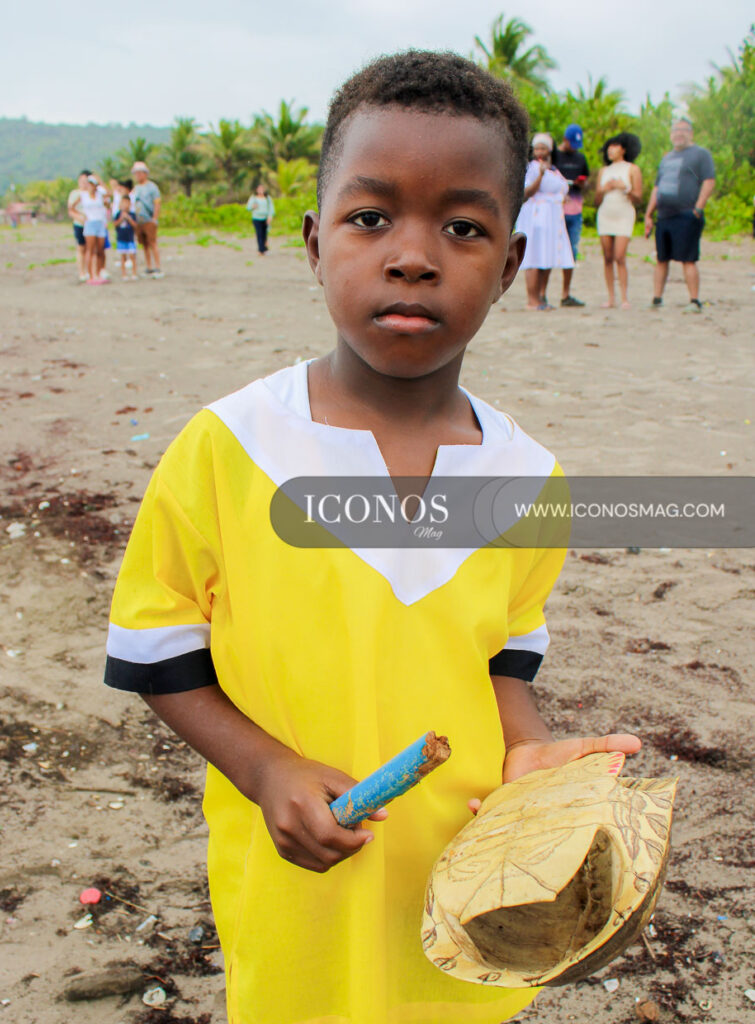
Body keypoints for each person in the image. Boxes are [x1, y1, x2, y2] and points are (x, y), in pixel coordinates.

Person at [104, 51, 640, 1024]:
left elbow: (503, 659)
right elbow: (159, 651)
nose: (413, 254)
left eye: (464, 226)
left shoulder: (528, 478)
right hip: (298, 888)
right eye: (371, 217)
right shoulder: (229, 449)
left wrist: (527, 754)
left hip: (468, 884)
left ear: (512, 261)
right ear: (314, 241)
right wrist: (266, 769)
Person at [644, 119, 715, 311]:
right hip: (664, 215)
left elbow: (709, 181)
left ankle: (694, 300)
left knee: (688, 258)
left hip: (687, 214)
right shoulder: (666, 158)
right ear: (671, 134)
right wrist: (649, 213)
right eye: (676, 130)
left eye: (683, 130)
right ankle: (657, 299)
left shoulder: (701, 154)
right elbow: (657, 187)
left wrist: (698, 208)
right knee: (661, 258)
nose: (679, 134)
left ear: (691, 133)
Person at [514, 133, 574, 310]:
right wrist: (540, 176)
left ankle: (542, 296)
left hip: (552, 219)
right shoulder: (531, 168)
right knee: (533, 255)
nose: (540, 151)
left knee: (546, 256)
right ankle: (532, 300)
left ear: (550, 149)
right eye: (537, 148)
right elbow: (525, 193)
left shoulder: (554, 169)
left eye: (543, 148)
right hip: (535, 218)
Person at [595, 132, 643, 309]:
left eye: (614, 146)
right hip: (606, 213)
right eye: (609, 146)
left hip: (623, 214)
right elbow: (596, 200)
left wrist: (625, 188)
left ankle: (624, 297)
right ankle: (611, 297)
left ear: (623, 149)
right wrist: (604, 189)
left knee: (619, 256)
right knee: (607, 257)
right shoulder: (604, 171)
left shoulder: (632, 169)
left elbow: (638, 197)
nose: (610, 150)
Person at [551, 124, 590, 306]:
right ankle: (542, 293)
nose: (574, 147)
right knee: (549, 250)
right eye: (572, 143)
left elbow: (586, 180)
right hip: (554, 210)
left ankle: (565, 294)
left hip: (575, 209)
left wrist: (581, 183)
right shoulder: (554, 156)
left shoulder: (580, 158)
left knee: (572, 251)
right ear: (565, 139)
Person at [72, 174, 110, 284]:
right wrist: (81, 216)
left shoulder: (100, 195)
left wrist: (101, 181)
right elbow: (72, 207)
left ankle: (98, 274)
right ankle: (90, 275)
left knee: (100, 250)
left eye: (94, 185)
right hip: (90, 223)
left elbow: (109, 194)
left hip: (100, 223)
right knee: (90, 250)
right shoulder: (83, 195)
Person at [132, 161, 163, 278]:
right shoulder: (136, 188)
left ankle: (158, 266)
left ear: (145, 173)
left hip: (149, 219)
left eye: (140, 173)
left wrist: (155, 218)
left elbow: (157, 202)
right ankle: (149, 266)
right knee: (144, 244)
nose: (138, 175)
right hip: (139, 220)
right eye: (136, 173)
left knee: (152, 242)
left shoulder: (152, 187)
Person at [67, 170, 90, 282]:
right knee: (81, 248)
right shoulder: (75, 193)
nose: (84, 183)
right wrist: (79, 218)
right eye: (82, 181)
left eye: (86, 181)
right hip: (79, 224)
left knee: (90, 249)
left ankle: (89, 271)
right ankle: (82, 272)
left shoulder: (92, 193)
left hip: (91, 224)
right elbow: (70, 210)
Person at [113, 195, 138, 281]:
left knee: (132, 256)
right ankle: (124, 274)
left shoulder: (132, 214)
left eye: (126, 203)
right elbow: (114, 224)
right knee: (123, 257)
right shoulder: (118, 214)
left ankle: (134, 273)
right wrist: (121, 219)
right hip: (121, 238)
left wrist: (128, 218)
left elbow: (135, 225)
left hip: (130, 238)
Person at [246, 184, 275, 254]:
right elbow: (248, 207)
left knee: (264, 234)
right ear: (257, 190)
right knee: (259, 233)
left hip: (265, 218)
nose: (261, 190)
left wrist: (270, 216)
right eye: (259, 189)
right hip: (256, 218)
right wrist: (253, 206)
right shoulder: (253, 198)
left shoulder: (268, 198)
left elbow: (271, 208)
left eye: (262, 189)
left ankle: (264, 248)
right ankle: (260, 250)